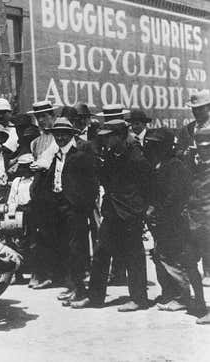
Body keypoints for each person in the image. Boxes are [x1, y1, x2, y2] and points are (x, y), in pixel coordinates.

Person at [71, 106, 150, 312]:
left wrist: (140, 211)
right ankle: (95, 297)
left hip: (130, 213)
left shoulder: (136, 157)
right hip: (112, 212)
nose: (104, 140)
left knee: (134, 255)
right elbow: (104, 179)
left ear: (120, 136)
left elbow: (147, 187)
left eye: (109, 137)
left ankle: (139, 299)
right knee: (101, 252)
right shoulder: (110, 155)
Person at [143, 127, 205, 313]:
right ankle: (169, 292)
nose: (151, 149)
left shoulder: (175, 166)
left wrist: (158, 211)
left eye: (156, 145)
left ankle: (182, 296)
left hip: (173, 221)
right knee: (160, 256)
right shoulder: (159, 165)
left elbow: (175, 196)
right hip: (160, 220)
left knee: (174, 258)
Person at [34, 118, 98, 298]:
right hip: (59, 204)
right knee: (65, 248)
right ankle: (71, 286)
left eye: (64, 134)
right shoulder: (56, 153)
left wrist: (84, 205)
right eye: (57, 134)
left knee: (77, 248)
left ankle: (79, 289)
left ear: (71, 135)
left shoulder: (81, 151)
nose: (60, 137)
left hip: (75, 206)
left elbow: (91, 181)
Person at [177, 90, 210, 286]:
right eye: (194, 109)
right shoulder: (188, 130)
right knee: (196, 228)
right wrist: (187, 154)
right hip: (194, 183)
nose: (197, 112)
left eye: (201, 109)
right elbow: (179, 152)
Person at [191, 128, 210, 324]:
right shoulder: (197, 166)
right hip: (196, 224)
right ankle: (200, 302)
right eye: (201, 148)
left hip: (207, 223)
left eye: (208, 148)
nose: (204, 151)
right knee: (188, 261)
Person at [27, 100, 60, 170]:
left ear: (53, 116)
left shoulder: (61, 138)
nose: (40, 120)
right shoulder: (34, 143)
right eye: (38, 117)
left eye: (44, 116)